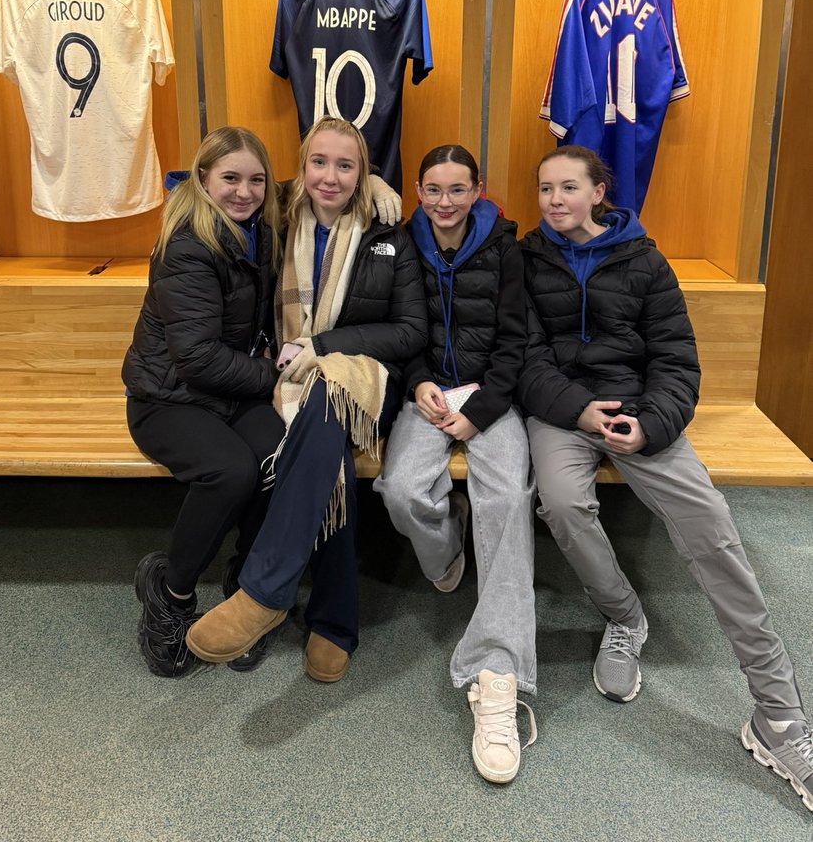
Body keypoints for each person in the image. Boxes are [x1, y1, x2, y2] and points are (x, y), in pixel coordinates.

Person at [520, 143, 812, 813]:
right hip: (562, 411)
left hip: (639, 413)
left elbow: (677, 361)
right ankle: (625, 616)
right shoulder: (525, 260)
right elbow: (525, 358)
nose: (555, 200)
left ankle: (778, 716)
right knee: (560, 503)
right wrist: (576, 408)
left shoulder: (644, 261)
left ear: (599, 192)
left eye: (569, 187)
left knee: (710, 526)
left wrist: (650, 424)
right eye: (545, 188)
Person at [185, 115, 427, 682]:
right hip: (292, 376)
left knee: (327, 401)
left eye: (347, 166)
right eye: (319, 162)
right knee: (327, 446)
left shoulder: (388, 233)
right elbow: (203, 184)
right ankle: (334, 622)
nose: (331, 177)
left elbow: (411, 331)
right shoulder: (275, 219)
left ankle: (264, 591)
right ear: (301, 167)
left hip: (369, 378)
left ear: (363, 174)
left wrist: (322, 347)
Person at [375, 144, 537, 785]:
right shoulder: (400, 244)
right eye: (434, 190)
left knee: (508, 500)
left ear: (478, 190)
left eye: (458, 189)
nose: (445, 202)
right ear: (419, 191)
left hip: (493, 397)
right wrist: (418, 382)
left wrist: (484, 410)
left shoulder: (505, 248)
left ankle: (497, 673)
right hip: (430, 393)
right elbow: (401, 328)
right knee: (401, 490)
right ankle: (447, 555)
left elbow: (515, 341)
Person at [123, 126, 285, 678]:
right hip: (168, 397)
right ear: (202, 178)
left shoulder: (257, 226)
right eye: (230, 178)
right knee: (231, 472)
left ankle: (247, 593)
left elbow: (321, 183)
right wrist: (272, 377)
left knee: (279, 456)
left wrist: (376, 186)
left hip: (228, 391)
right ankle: (170, 594)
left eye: (257, 180)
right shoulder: (189, 244)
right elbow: (196, 358)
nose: (244, 191)